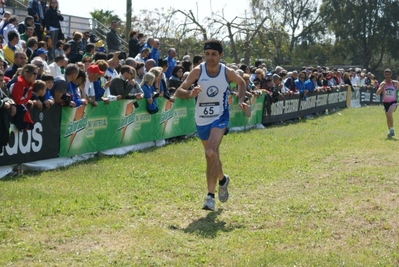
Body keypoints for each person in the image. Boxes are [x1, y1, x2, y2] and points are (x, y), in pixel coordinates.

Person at [175, 39, 247, 211]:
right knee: (211, 156)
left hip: (220, 116)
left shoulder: (226, 72)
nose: (210, 57)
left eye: (214, 54)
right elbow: (178, 91)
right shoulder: (197, 71)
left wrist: (241, 100)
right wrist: (189, 93)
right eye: (207, 54)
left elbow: (242, 82)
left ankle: (210, 197)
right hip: (201, 119)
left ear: (221, 55)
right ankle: (223, 179)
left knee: (210, 151)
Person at [376, 68, 399, 138]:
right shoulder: (383, 83)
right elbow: (377, 93)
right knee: (387, 117)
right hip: (386, 102)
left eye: (388, 74)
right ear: (384, 75)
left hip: (394, 102)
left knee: (389, 114)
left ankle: (392, 129)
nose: (387, 76)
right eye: (386, 74)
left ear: (391, 75)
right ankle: (389, 131)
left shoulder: (395, 83)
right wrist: (381, 88)